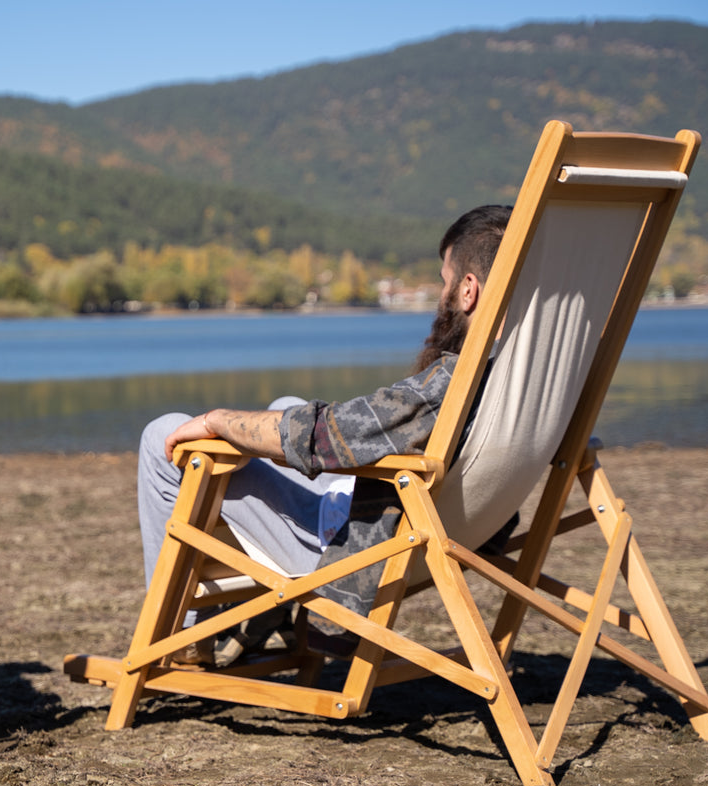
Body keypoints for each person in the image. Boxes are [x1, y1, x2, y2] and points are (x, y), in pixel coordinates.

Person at [136, 204, 513, 664]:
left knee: (163, 436)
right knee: (282, 408)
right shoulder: (525, 378)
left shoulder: (453, 383)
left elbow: (327, 435)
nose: (442, 293)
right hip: (443, 536)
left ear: (468, 291)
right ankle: (260, 613)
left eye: (444, 280)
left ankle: (180, 641)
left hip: (360, 556)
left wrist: (218, 422)